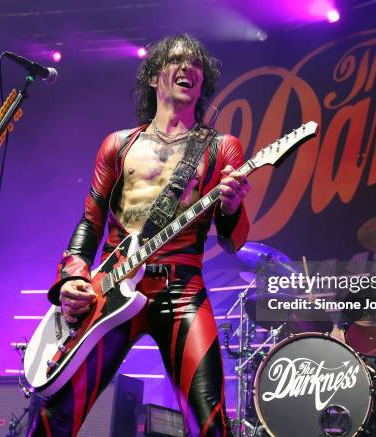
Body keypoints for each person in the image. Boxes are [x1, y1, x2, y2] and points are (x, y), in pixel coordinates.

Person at [27, 34, 249, 437]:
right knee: (55, 417)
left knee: (211, 418)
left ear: (203, 83)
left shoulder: (221, 147)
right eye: (176, 60)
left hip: (181, 292)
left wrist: (232, 207)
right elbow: (91, 221)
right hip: (110, 288)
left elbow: (233, 241)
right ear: (153, 77)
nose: (188, 68)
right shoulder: (119, 144)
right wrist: (74, 277)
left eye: (195, 64)